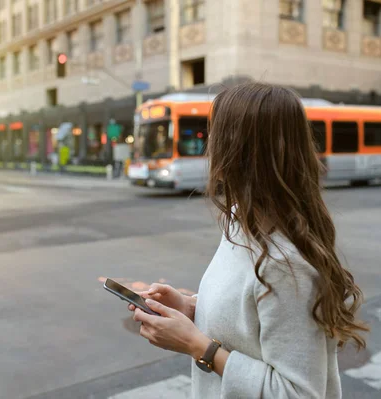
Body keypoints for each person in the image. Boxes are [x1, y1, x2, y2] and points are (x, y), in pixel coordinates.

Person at [128, 82, 368, 398]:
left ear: (242, 151)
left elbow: (299, 393)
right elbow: (249, 319)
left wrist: (196, 344)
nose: (208, 144)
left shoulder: (285, 264)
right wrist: (191, 308)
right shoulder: (240, 222)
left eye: (216, 133)